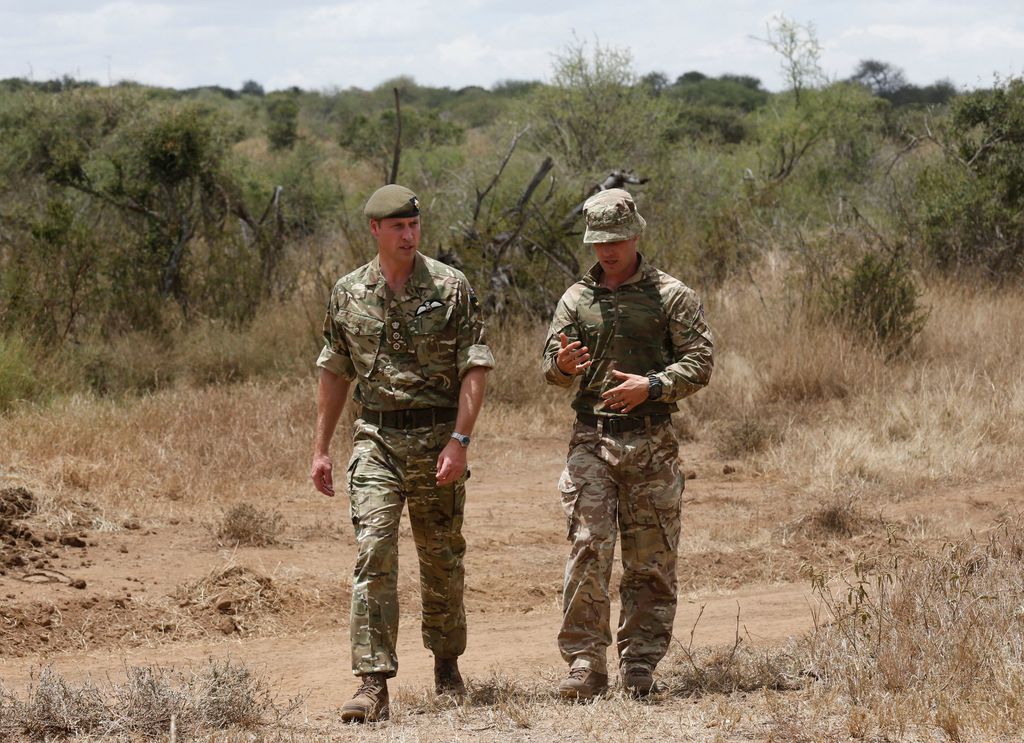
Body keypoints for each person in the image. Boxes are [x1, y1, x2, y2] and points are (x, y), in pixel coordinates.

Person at [311, 184, 494, 723]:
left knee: (441, 559)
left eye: (414, 225)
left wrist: (460, 440)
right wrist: (321, 448)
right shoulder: (348, 292)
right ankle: (372, 683)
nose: (409, 235)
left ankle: (446, 665)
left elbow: (475, 366)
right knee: (374, 550)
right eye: (398, 227)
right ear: (375, 230)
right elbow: (334, 368)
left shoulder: (451, 287)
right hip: (376, 440)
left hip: (438, 439)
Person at [542, 188, 714, 700]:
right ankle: (584, 664)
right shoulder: (576, 299)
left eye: (616, 240)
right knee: (587, 550)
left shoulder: (671, 296)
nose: (608, 251)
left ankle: (639, 664)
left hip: (652, 443)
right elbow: (550, 368)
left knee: (650, 560)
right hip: (591, 439)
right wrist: (562, 367)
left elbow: (700, 362)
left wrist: (652, 385)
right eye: (598, 242)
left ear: (636, 234)